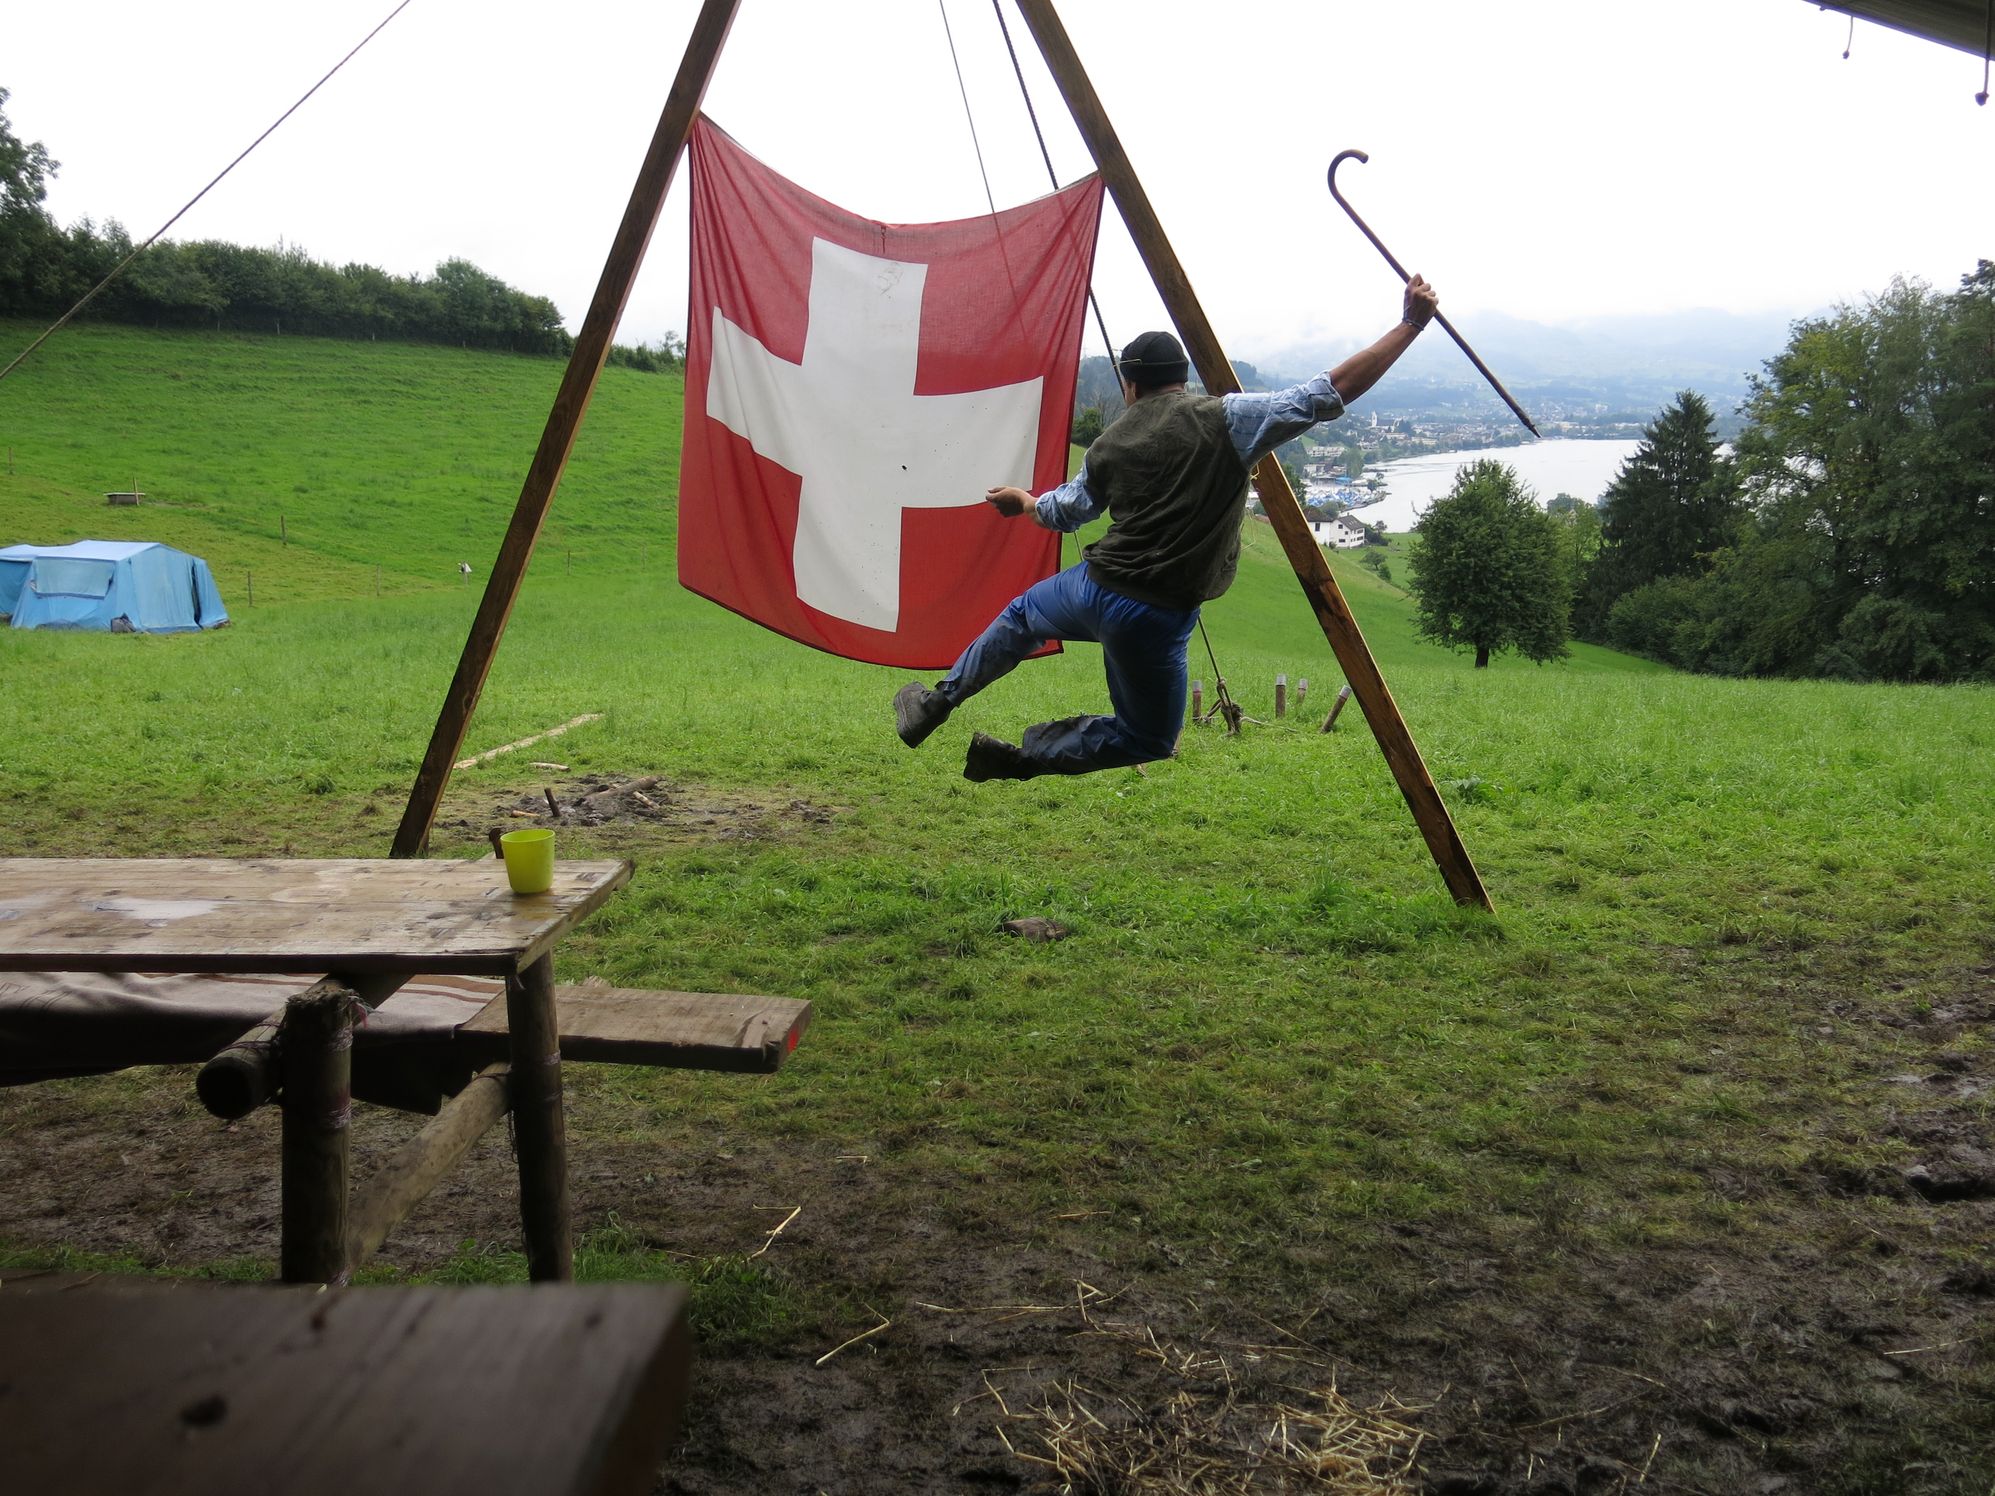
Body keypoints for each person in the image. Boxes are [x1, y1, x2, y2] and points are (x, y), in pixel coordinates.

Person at [894, 277, 1440, 781]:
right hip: (1155, 616)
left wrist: (1025, 503)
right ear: (1182, 379)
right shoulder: (1228, 419)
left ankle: (937, 703)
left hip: (1091, 589)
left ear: (1130, 386)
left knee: (1020, 617)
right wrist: (1411, 325)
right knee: (1149, 737)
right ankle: (1024, 758)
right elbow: (1330, 391)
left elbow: (1065, 512)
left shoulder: (1108, 445)